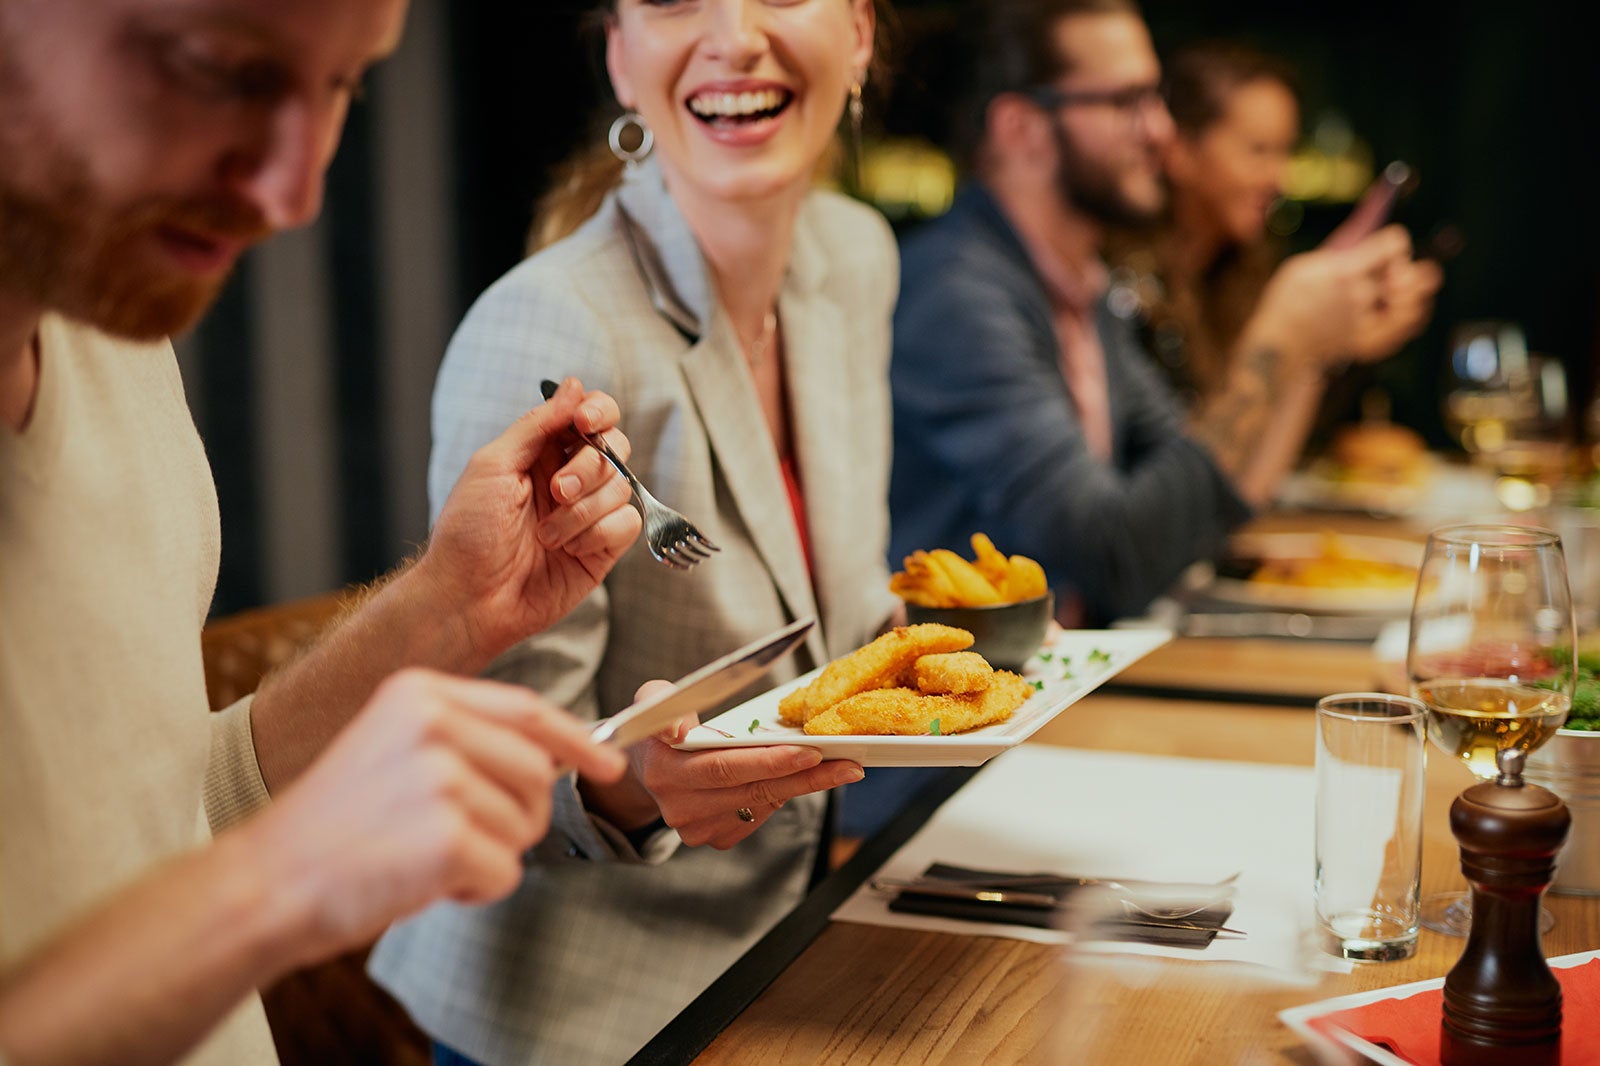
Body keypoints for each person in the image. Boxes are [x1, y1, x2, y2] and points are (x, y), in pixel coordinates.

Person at [0, 2, 643, 1063]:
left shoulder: (111, 324)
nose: (292, 194)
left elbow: (155, 810)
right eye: (222, 70)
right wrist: (272, 886)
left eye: (345, 85)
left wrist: (443, 606)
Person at [367, 1, 895, 1062]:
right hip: (570, 1008)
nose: (735, 37)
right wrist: (636, 781)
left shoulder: (855, 255)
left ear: (861, 35)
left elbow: (838, 606)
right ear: (619, 57)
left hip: (781, 950)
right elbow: (495, 778)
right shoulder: (552, 325)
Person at [887, 0, 1442, 627]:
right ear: (1023, 129)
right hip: (969, 706)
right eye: (1126, 103)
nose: (1159, 130)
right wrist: (1280, 339)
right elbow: (1115, 560)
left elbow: (1202, 497)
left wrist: (1308, 347)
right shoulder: (957, 295)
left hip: (1062, 680)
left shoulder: (1073, 287)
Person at [1111, 39, 1440, 408]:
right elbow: (1197, 457)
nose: (1279, 179)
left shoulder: (1238, 275)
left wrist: (1337, 342)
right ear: (1179, 150)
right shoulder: (1123, 296)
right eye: (1259, 150)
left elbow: (1264, 440)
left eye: (1286, 150)